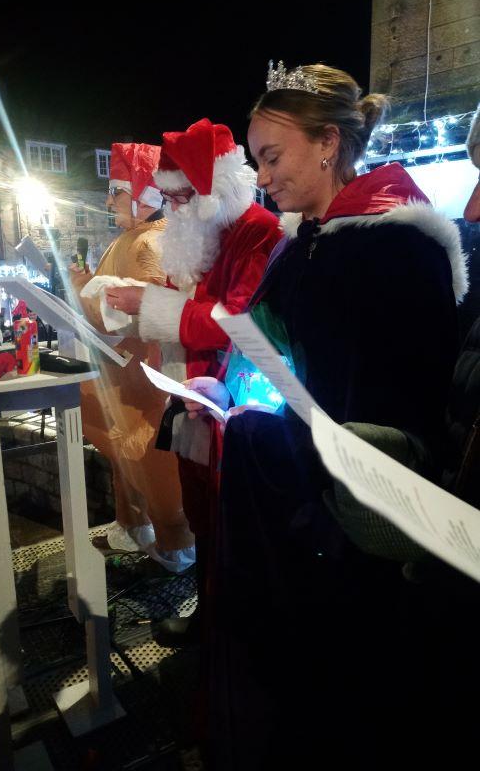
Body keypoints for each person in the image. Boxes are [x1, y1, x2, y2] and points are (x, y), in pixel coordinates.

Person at [181, 63, 467, 766]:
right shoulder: (309, 237)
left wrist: (268, 426)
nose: (264, 176)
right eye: (256, 161)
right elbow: (279, 345)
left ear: (328, 144)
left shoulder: (395, 241)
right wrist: (232, 388)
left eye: (272, 157)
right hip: (308, 467)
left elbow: (390, 408)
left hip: (361, 504)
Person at [105, 119, 280, 639]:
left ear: (216, 188)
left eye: (184, 198)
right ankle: (210, 617)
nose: (174, 209)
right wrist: (125, 308)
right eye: (171, 197)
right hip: (189, 394)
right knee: (202, 513)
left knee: (232, 521)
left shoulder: (257, 232)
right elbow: (173, 301)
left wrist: (149, 305)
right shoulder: (196, 232)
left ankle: (236, 630)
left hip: (228, 402)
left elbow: (234, 321)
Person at [69, 142, 194, 573]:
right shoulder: (133, 238)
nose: (109, 200)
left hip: (145, 378)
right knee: (126, 456)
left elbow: (135, 311)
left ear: (145, 193)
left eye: (117, 191)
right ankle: (134, 524)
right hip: (120, 374)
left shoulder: (154, 243)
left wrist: (83, 291)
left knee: (150, 456)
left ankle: (175, 540)